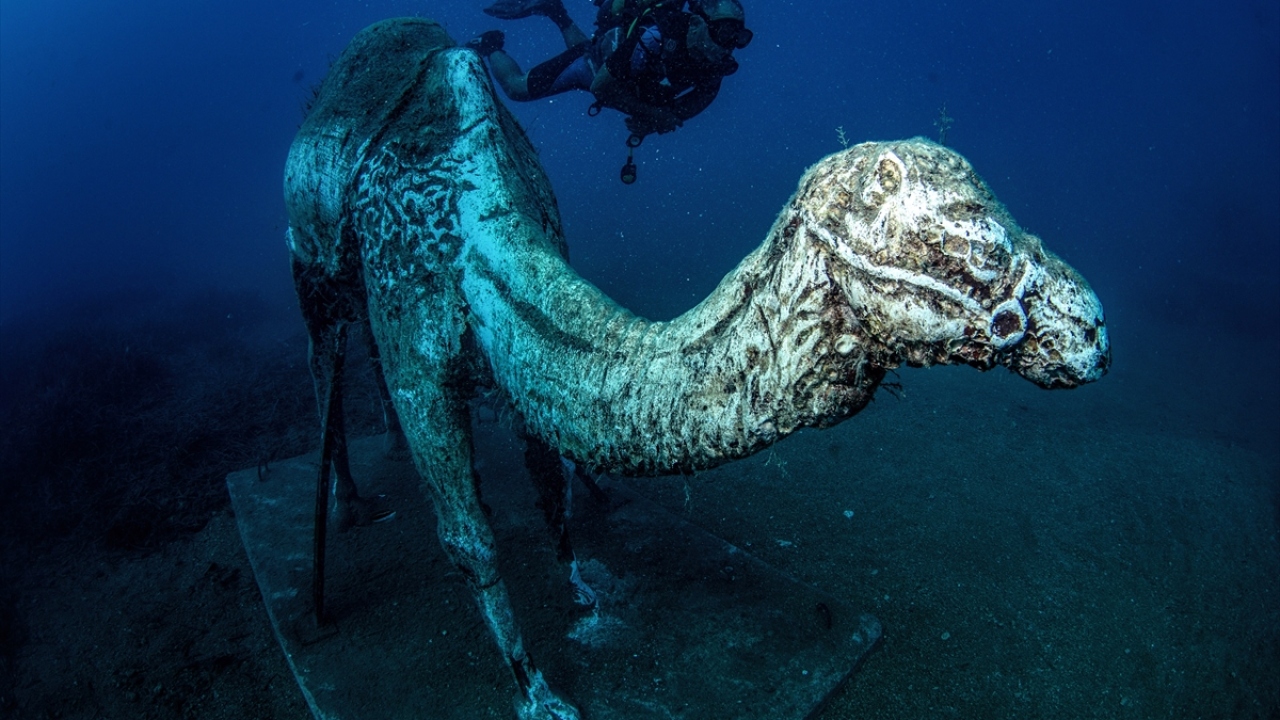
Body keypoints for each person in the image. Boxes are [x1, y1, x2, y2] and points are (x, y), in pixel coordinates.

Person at [467, 0, 752, 141]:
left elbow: (677, 114)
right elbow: (601, 87)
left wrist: (652, 123)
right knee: (517, 88)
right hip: (591, 67)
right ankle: (490, 45)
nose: (730, 46)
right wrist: (651, 115)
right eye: (725, 32)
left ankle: (555, 11)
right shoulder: (656, 36)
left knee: (594, 49)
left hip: (615, 65)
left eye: (739, 38)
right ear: (696, 24)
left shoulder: (714, 71)